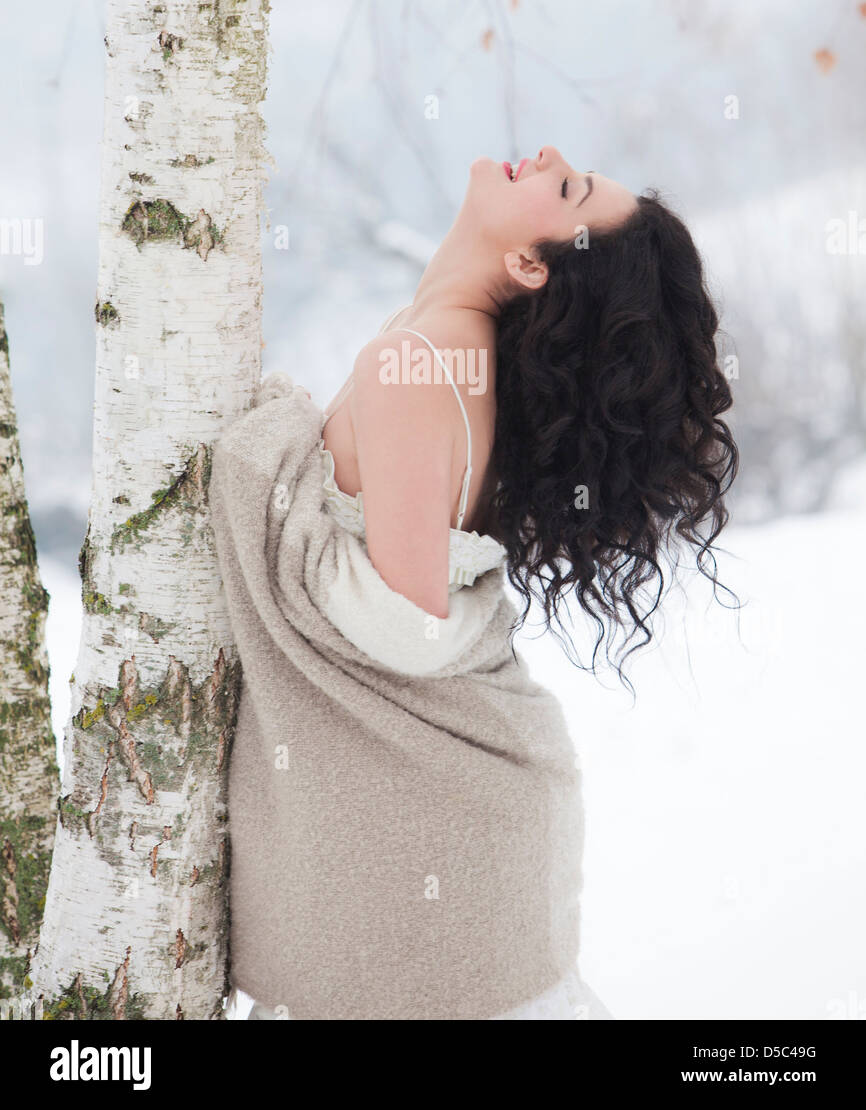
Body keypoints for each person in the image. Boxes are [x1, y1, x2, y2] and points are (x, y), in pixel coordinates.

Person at [211, 145, 738, 1020]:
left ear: (530, 264)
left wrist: (266, 475)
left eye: (566, 188)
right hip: (479, 838)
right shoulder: (444, 349)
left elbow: (398, 623)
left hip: (456, 856)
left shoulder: (418, 365)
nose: (551, 157)